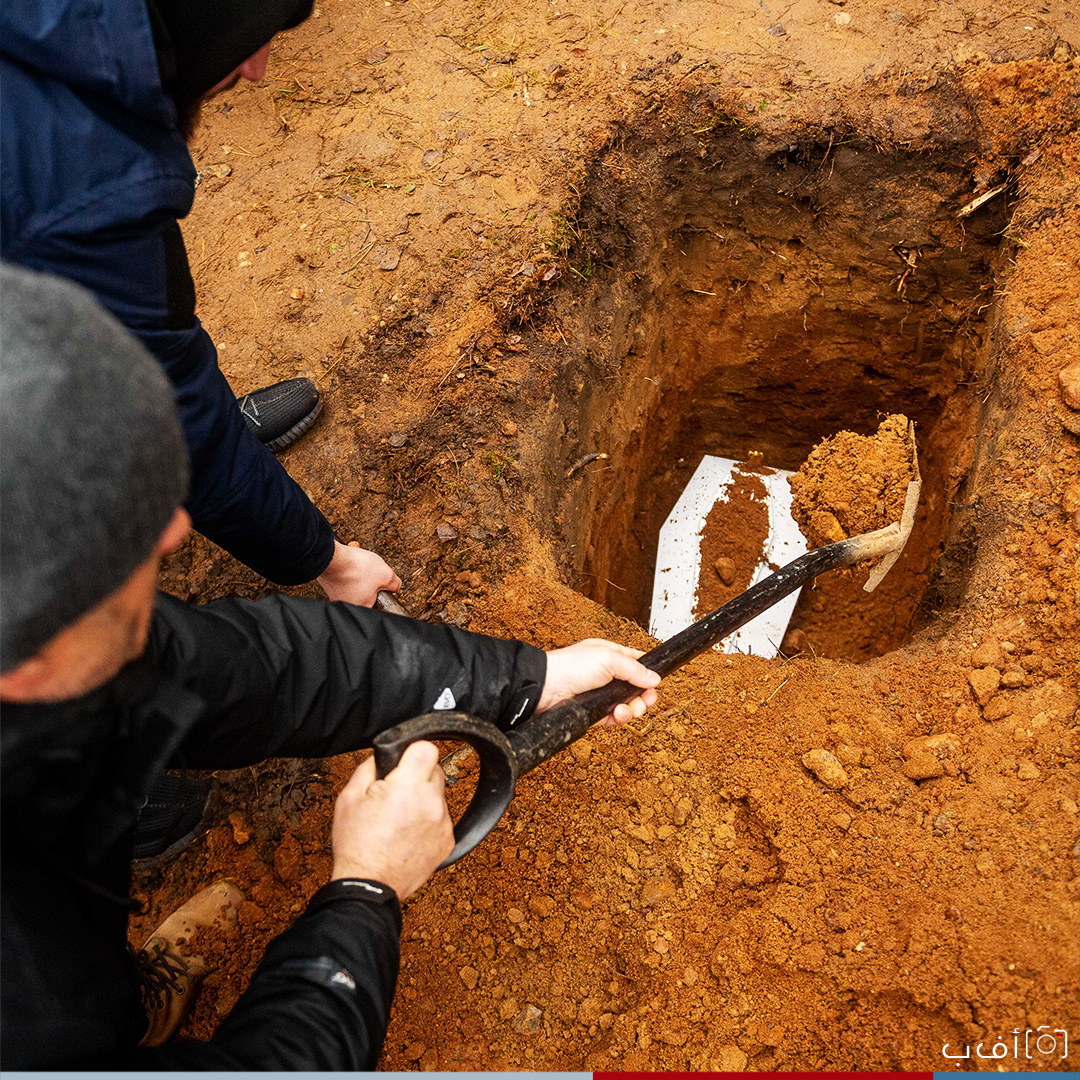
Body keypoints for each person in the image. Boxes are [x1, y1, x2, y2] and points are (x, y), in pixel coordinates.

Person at [0, 264, 661, 1069]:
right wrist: (364, 892)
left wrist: (524, 680)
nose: (174, 530)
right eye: (122, 529)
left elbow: (253, 669)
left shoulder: (55, 629)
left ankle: (123, 1007)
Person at [0, 0, 399, 607]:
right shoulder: (89, 185)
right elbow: (177, 405)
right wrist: (330, 561)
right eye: (248, 37)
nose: (260, 69)